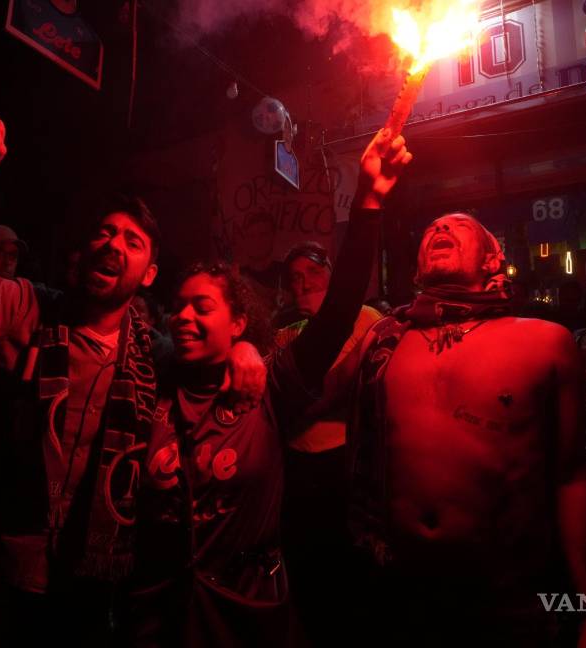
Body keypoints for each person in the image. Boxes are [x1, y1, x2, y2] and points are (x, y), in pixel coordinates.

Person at [0, 114, 265, 646]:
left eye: (133, 241)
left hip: (97, 585)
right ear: (83, 251)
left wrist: (246, 345)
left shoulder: (157, 357)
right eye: (105, 233)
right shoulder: (28, 309)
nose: (114, 244)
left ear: (149, 274)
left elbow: (220, 357)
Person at [125, 126, 410, 648]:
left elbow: (341, 307)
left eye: (202, 307)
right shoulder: (150, 386)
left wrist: (368, 200)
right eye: (178, 307)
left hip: (248, 613)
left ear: (238, 324)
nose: (184, 317)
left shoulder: (271, 384)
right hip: (158, 613)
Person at [344, 213, 586, 646]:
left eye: (459, 226)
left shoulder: (545, 342)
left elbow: (570, 478)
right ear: (415, 269)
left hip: (508, 591)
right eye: (431, 229)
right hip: (401, 587)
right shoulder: (382, 341)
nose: (441, 230)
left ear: (493, 259)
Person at [274, 240, 383, 647]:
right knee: (311, 567)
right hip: (301, 465)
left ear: (332, 274)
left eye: (313, 273)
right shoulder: (283, 333)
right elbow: (291, 401)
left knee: (351, 565)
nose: (303, 284)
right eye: (295, 278)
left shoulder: (367, 319)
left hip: (349, 461)